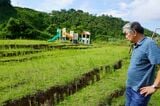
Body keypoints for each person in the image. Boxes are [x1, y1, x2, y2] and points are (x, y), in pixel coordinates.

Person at [122, 21, 160, 106]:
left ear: (134, 32)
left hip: (140, 91)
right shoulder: (136, 45)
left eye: (126, 33)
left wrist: (155, 86)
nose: (126, 36)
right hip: (130, 87)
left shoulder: (149, 44)